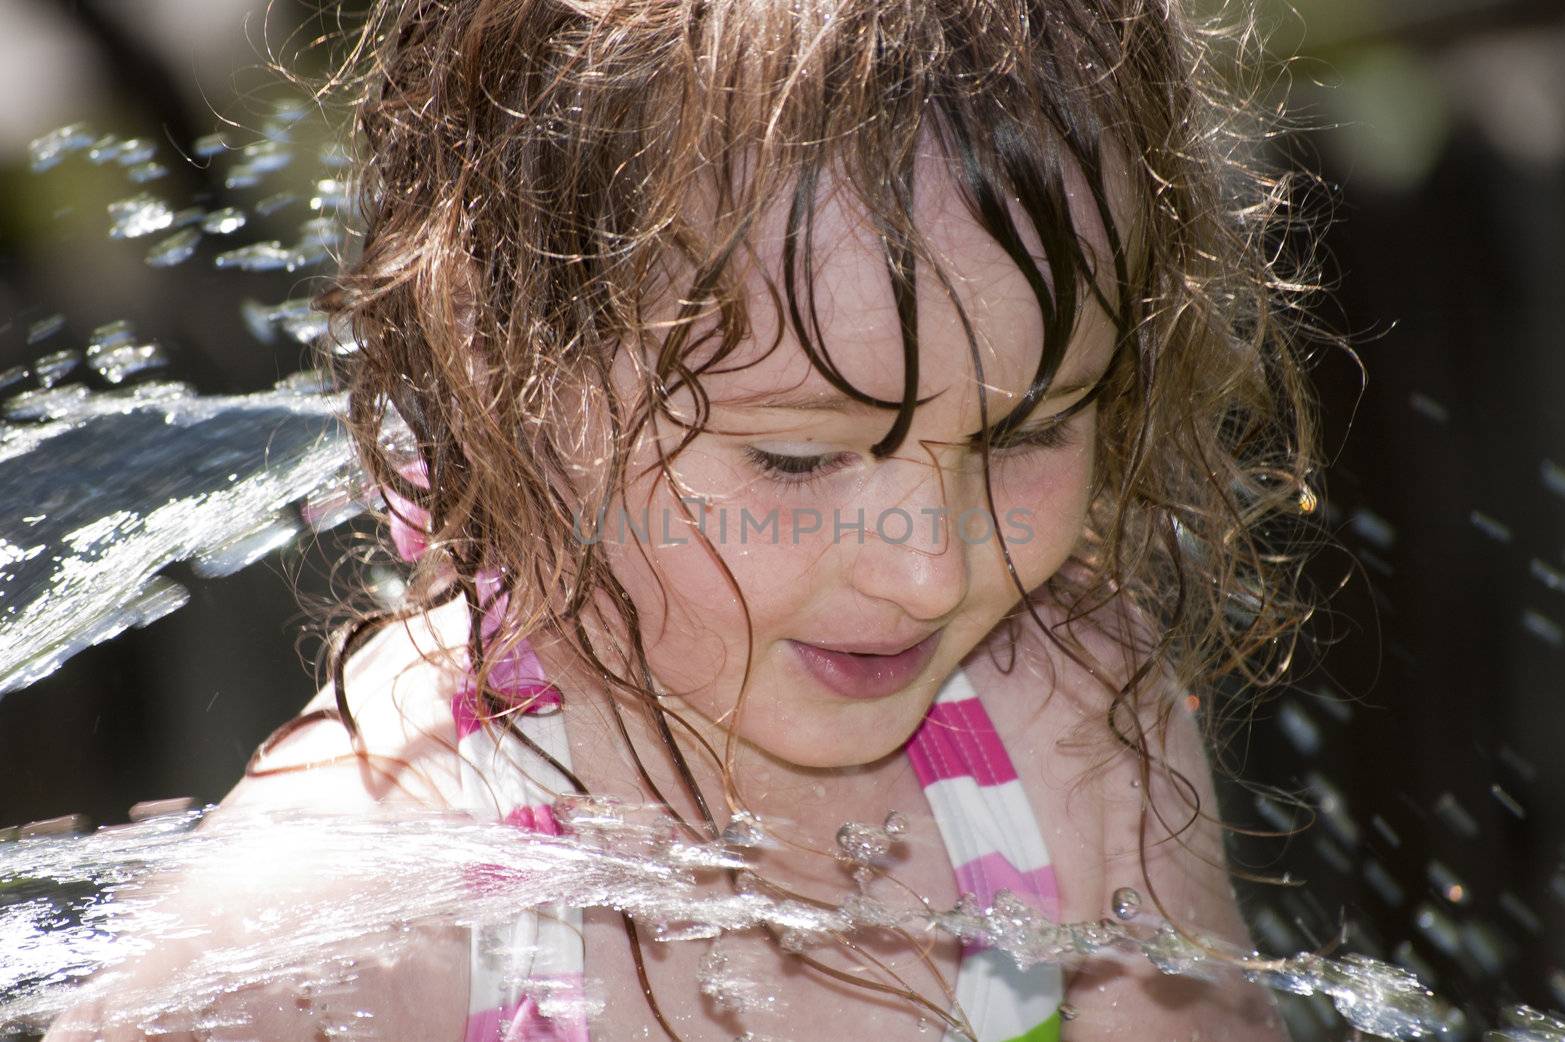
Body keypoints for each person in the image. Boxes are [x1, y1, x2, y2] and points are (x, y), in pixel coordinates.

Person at [47, 0, 1321, 1038]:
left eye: (1025, 433)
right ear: (512, 369)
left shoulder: (1063, 716)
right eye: (796, 456)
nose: (932, 570)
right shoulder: (333, 921)